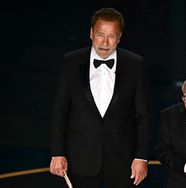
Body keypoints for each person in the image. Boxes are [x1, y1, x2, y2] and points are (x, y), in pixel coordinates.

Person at [49, 8, 152, 188]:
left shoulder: (135, 64)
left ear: (119, 37)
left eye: (111, 36)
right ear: (91, 33)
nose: (105, 42)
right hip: (80, 160)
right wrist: (57, 152)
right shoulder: (70, 62)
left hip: (123, 161)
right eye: (100, 35)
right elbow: (60, 110)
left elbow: (143, 115)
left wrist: (141, 156)